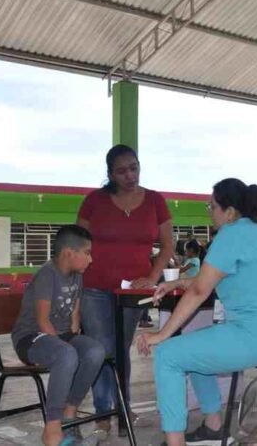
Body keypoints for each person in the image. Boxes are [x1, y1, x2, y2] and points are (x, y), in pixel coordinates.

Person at [136, 178, 257, 446]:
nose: (210, 212)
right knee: (192, 348)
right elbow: (208, 279)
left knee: (167, 354)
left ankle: (175, 441)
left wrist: (161, 334)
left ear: (229, 211)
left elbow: (200, 291)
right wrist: (177, 283)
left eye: (212, 206)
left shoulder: (232, 234)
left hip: (252, 338)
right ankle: (213, 426)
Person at [77, 144, 174, 436]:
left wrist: (152, 276)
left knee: (120, 349)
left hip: (133, 291)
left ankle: (122, 408)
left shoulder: (155, 201)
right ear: (110, 174)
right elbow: (78, 244)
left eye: (134, 168)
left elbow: (167, 245)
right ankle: (103, 414)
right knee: (101, 348)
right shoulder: (94, 201)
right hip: (94, 287)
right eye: (121, 171)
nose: (130, 175)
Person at [11, 225, 104, 446]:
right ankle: (52, 429)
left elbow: (75, 313)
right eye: (87, 253)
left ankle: (69, 415)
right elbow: (43, 321)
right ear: (69, 253)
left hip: (61, 336)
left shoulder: (77, 276)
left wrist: (75, 335)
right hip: (31, 338)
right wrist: (66, 347)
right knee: (66, 354)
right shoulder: (47, 274)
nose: (91, 259)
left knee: (95, 351)